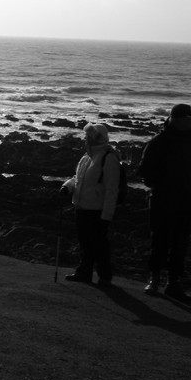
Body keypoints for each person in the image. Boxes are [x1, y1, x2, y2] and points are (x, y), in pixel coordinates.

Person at [138, 103, 191, 303]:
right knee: (160, 240)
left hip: (186, 200)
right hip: (163, 200)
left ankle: (173, 282)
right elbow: (145, 172)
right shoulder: (159, 142)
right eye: (189, 119)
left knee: (180, 243)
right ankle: (154, 279)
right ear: (176, 120)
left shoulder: (190, 141)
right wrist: (167, 184)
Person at [61, 123, 120, 287]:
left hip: (97, 209)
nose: (85, 139)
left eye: (88, 136)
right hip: (82, 206)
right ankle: (84, 272)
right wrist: (67, 186)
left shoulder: (109, 158)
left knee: (100, 245)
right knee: (85, 243)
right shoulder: (86, 157)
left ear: (97, 138)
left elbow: (111, 189)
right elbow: (78, 178)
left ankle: (105, 277)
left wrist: (106, 216)